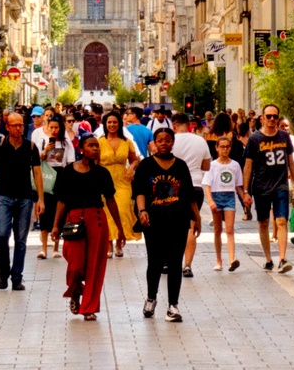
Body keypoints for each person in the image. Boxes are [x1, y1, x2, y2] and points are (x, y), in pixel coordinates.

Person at [50, 134, 126, 320]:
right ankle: (75, 292)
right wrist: (55, 226)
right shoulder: (68, 171)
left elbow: (110, 201)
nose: (95, 149)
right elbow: (61, 200)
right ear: (81, 148)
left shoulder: (102, 173)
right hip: (74, 219)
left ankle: (89, 307)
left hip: (97, 220)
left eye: (97, 146)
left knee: (94, 267)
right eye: (91, 145)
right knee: (75, 265)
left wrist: (120, 229)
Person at [133, 127, 195, 321]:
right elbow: (140, 191)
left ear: (172, 142)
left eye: (167, 140)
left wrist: (197, 218)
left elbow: (189, 194)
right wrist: (142, 211)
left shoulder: (181, 166)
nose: (163, 143)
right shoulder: (146, 165)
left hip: (178, 220)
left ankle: (173, 306)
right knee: (155, 261)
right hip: (154, 221)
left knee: (175, 262)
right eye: (160, 140)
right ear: (154, 143)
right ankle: (151, 298)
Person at [0, 109, 42, 290]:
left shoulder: (31, 147)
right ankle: (3, 272)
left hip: (25, 197)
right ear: (8, 127)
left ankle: (17, 277)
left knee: (21, 239)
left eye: (21, 125)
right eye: (15, 125)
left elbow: (38, 173)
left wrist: (40, 199)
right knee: (2, 235)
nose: (19, 129)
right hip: (3, 196)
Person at [243, 104, 294, 272]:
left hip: (280, 185)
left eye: (275, 116)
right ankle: (268, 259)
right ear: (262, 118)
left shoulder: (284, 137)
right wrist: (245, 191)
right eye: (268, 116)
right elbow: (248, 166)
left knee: (281, 220)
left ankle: (282, 259)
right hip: (260, 187)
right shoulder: (254, 139)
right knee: (263, 222)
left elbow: (291, 163)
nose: (272, 119)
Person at [169, 113, 210, 274]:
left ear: (174, 126)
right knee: (191, 226)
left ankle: (169, 261)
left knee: (172, 225)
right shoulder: (200, 141)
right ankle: (187, 264)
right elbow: (206, 166)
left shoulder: (170, 141)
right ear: (189, 125)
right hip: (195, 186)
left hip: (174, 186)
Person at [98, 110, 138, 252]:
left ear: (119, 124)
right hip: (104, 180)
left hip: (123, 180)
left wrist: (131, 168)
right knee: (107, 212)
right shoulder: (100, 142)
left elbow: (135, 160)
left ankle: (120, 241)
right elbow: (95, 163)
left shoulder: (127, 142)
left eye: (115, 122)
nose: (112, 125)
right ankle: (109, 244)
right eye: (109, 122)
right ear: (105, 124)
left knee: (122, 210)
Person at [204, 134, 244, 270]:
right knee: (217, 230)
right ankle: (219, 260)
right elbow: (207, 185)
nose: (225, 149)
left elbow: (238, 185)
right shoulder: (212, 165)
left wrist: (244, 197)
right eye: (222, 147)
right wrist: (210, 201)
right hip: (216, 196)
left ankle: (232, 259)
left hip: (229, 197)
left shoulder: (235, 165)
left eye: (227, 147)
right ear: (217, 148)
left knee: (230, 229)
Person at [36, 114, 70, 260]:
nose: (54, 130)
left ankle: (56, 247)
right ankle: (43, 248)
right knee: (44, 211)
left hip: (60, 176)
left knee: (59, 211)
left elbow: (70, 162)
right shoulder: (42, 141)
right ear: (47, 127)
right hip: (46, 175)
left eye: (57, 127)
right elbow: (36, 160)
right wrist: (45, 151)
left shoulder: (65, 142)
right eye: (52, 127)